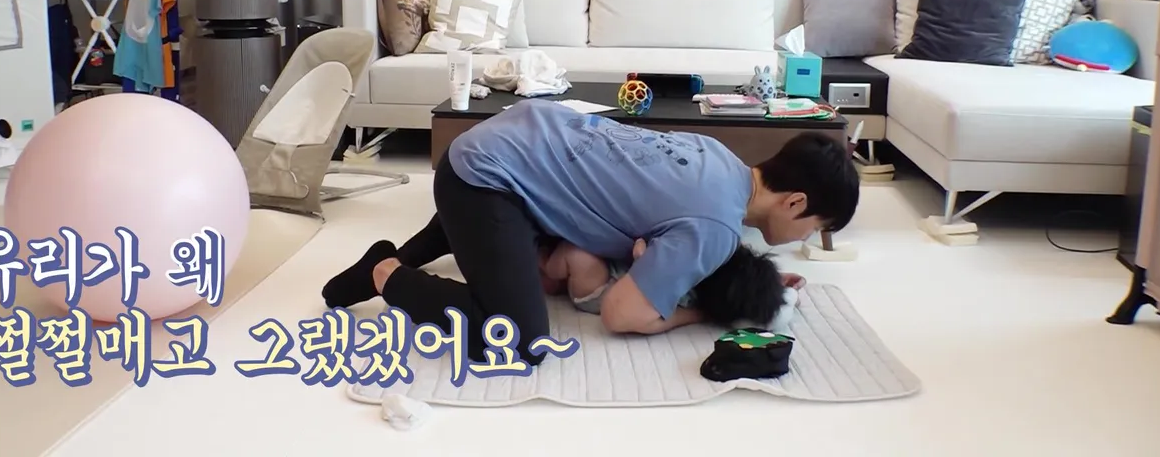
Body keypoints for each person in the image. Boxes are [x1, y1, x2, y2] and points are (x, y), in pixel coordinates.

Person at [321, 99, 859, 365]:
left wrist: (756, 282)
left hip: (517, 133)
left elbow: (680, 222)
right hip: (485, 178)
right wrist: (710, 311)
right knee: (520, 340)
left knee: (507, 216)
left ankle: (394, 259)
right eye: (815, 227)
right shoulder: (715, 229)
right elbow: (622, 314)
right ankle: (388, 273)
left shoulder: (718, 156)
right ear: (795, 202)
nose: (806, 238)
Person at [543, 237, 789, 327]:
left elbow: (649, 289)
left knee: (575, 253)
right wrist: (780, 286)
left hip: (603, 292)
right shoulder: (714, 289)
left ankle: (544, 268)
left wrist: (643, 259)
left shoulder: (684, 296)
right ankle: (559, 280)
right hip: (612, 270)